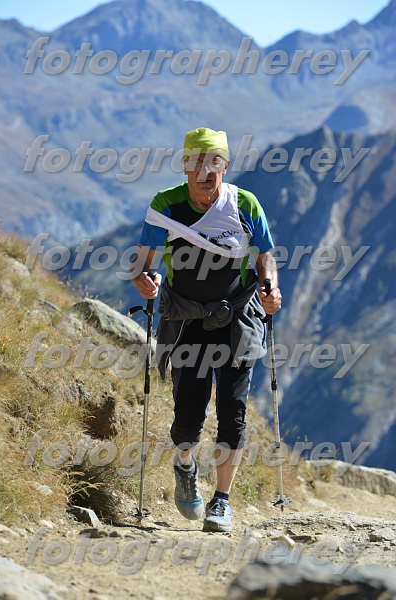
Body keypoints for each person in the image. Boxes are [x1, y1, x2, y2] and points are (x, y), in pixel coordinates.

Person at [131, 127, 281, 532]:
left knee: (233, 413)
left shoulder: (245, 203)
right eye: (197, 164)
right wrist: (145, 279)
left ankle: (222, 501)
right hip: (186, 321)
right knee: (187, 418)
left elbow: (265, 256)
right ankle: (185, 465)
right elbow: (142, 262)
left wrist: (271, 286)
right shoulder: (166, 204)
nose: (205, 174)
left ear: (224, 168)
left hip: (237, 319)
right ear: (185, 167)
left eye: (214, 165)